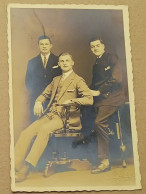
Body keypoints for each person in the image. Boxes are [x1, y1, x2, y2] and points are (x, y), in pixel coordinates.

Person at [15, 52, 93, 182]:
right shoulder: (55, 80)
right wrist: (38, 102)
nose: (64, 63)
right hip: (50, 115)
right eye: (62, 61)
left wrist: (72, 101)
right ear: (59, 64)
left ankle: (26, 168)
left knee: (44, 130)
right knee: (26, 132)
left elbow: (89, 99)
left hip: (65, 118)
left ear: (72, 62)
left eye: (67, 60)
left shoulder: (78, 80)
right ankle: (16, 166)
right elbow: (44, 94)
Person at [89, 37, 125, 173]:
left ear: (103, 46)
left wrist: (99, 91)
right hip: (101, 99)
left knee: (99, 122)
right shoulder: (96, 62)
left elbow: (116, 79)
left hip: (113, 97)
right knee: (85, 115)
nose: (95, 48)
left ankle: (104, 161)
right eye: (92, 47)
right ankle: (93, 157)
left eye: (97, 45)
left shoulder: (111, 57)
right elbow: (94, 84)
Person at [25, 35, 62, 123]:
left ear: (51, 45)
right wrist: (37, 97)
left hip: (53, 99)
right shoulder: (32, 62)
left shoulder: (58, 60)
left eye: (46, 44)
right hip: (37, 98)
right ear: (38, 46)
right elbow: (28, 82)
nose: (44, 46)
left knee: (51, 125)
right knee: (35, 124)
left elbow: (62, 79)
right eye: (42, 44)